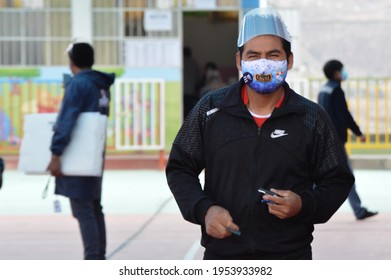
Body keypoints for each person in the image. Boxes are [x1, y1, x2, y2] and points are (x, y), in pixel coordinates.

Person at [166, 7, 354, 260]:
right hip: (224, 255)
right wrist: (204, 209)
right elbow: (180, 168)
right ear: (238, 61)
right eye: (253, 55)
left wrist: (304, 204)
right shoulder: (211, 110)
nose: (263, 63)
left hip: (290, 255)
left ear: (289, 60)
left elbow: (338, 180)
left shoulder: (311, 117)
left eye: (273, 54)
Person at [47, 42, 115, 260]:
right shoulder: (100, 85)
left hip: (78, 155)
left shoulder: (78, 85)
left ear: (71, 62)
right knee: (94, 207)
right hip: (95, 154)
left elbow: (67, 120)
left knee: (83, 210)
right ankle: (98, 257)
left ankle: (92, 260)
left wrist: (56, 153)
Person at [318, 59, 378, 220]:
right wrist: (358, 132)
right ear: (336, 73)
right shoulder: (336, 90)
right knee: (347, 175)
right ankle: (358, 210)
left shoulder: (324, 90)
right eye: (342, 70)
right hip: (336, 140)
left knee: (317, 176)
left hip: (324, 139)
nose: (344, 73)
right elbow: (344, 115)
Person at [183, 46, 201, 118]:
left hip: (179, 91)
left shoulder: (179, 63)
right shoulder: (194, 64)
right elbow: (198, 80)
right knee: (189, 111)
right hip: (190, 91)